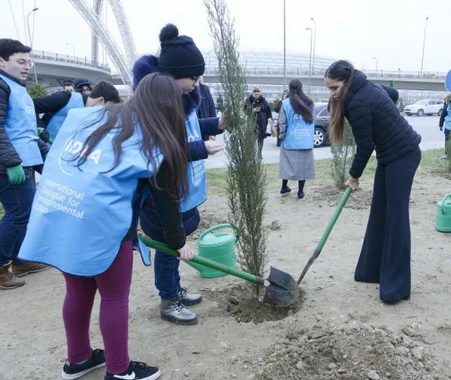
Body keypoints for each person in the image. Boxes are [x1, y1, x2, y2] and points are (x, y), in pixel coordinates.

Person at [18, 73, 195, 380]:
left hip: (64, 209)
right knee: (114, 296)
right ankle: (119, 370)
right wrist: (179, 242)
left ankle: (78, 360)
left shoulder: (99, 115)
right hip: (103, 223)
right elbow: (165, 200)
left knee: (77, 290)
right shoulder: (154, 136)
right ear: (169, 105)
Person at [132, 23, 226, 325]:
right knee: (169, 250)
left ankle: (175, 288)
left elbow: (191, 129)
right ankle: (168, 300)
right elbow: (165, 156)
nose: (197, 84)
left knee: (174, 252)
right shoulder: (154, 109)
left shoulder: (179, 101)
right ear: (172, 76)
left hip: (179, 195)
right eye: (193, 77)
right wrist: (202, 150)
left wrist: (218, 124)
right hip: (161, 201)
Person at [324, 60, 422, 303]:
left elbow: (365, 146)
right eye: (329, 89)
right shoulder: (366, 87)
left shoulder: (358, 102)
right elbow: (394, 94)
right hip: (389, 156)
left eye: (334, 88)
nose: (332, 94)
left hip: (404, 155)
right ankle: (371, 271)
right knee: (379, 211)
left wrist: (354, 176)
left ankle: (396, 287)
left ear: (346, 82)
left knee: (396, 218)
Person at [0, 38, 50, 290]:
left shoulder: (18, 87)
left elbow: (25, 131)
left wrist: (47, 153)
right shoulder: (1, 86)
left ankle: (19, 260)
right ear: (1, 61)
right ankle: (0, 267)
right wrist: (11, 162)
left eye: (28, 62)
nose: (26, 66)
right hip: (10, 167)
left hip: (26, 162)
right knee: (17, 215)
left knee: (25, 214)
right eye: (20, 61)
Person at [278, 79, 315, 199]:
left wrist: (282, 137)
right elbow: (312, 120)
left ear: (289, 88)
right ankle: (300, 192)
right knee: (303, 167)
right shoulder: (309, 102)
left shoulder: (285, 103)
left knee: (286, 165)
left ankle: (284, 188)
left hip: (290, 140)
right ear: (301, 87)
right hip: (306, 140)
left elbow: (282, 123)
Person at [245, 87, 272, 157]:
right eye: (255, 94)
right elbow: (244, 110)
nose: (257, 96)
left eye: (258, 94)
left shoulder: (263, 100)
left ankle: (259, 153)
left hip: (262, 122)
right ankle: (251, 153)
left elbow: (268, 109)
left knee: (260, 138)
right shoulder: (249, 100)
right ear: (253, 93)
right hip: (252, 121)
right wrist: (252, 110)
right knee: (252, 138)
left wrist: (269, 117)